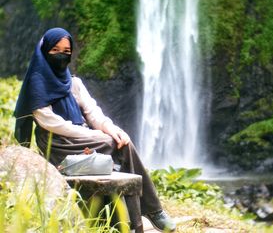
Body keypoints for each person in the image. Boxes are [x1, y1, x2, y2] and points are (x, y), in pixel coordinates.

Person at [13, 27, 176, 233]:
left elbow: (93, 112)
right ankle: (151, 213)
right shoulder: (37, 84)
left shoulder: (74, 83)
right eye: (55, 50)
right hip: (58, 144)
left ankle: (147, 215)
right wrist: (96, 134)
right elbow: (53, 124)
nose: (62, 55)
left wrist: (112, 128)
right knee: (110, 143)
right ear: (45, 52)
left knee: (121, 142)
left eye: (66, 50)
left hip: (84, 138)